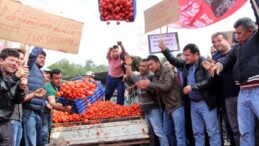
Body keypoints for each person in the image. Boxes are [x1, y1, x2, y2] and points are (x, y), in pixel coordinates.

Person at [209, 6, 259, 145]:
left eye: (239, 33)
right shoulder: (237, 48)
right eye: (235, 33)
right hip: (243, 92)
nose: (236, 36)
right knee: (245, 131)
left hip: (257, 91)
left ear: (250, 31)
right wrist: (219, 65)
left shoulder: (256, 41)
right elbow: (227, 59)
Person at [159, 41, 221, 146]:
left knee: (212, 132)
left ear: (196, 54)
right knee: (197, 133)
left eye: (187, 55)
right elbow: (174, 60)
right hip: (193, 103)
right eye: (184, 55)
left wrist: (192, 87)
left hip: (206, 102)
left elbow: (209, 82)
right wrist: (165, 50)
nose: (185, 58)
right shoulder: (186, 65)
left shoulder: (205, 64)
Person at [137, 55, 186, 146]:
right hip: (167, 108)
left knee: (179, 135)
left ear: (158, 62)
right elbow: (156, 91)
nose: (150, 67)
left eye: (151, 64)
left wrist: (150, 84)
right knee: (167, 133)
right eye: (149, 65)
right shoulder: (155, 75)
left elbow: (167, 87)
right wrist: (146, 88)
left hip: (176, 105)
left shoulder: (167, 71)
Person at [124, 58, 169, 146]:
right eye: (140, 66)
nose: (141, 68)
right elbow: (131, 77)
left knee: (159, 133)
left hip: (153, 109)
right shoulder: (140, 76)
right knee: (150, 133)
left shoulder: (151, 76)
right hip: (145, 110)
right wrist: (128, 66)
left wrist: (147, 88)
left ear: (148, 67)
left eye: (144, 66)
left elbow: (156, 92)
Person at [211, 32, 240, 146]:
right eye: (214, 42)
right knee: (232, 127)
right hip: (225, 96)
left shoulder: (237, 51)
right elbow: (217, 79)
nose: (216, 44)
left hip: (242, 92)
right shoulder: (215, 58)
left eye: (219, 41)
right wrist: (213, 72)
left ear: (228, 40)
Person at [22, 47, 51, 146]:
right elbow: (32, 56)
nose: (43, 59)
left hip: (38, 111)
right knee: (31, 141)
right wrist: (40, 43)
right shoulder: (30, 66)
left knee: (38, 141)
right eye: (41, 57)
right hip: (29, 110)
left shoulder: (40, 72)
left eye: (44, 58)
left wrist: (45, 103)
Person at [0, 49, 28, 146]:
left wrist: (21, 88)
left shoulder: (13, 77)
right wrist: (15, 77)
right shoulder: (14, 77)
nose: (15, 64)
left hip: (5, 121)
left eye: (16, 62)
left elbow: (18, 101)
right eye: (11, 60)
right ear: (1, 60)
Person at [43, 69, 70, 146]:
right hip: (45, 112)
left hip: (53, 113)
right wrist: (64, 109)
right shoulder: (49, 87)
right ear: (51, 79)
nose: (59, 80)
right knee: (45, 133)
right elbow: (52, 103)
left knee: (48, 131)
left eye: (60, 78)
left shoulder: (61, 85)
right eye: (56, 78)